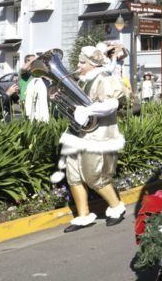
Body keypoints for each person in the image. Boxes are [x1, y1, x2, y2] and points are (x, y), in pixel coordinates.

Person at [58, 46, 126, 233]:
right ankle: (83, 215)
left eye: (82, 62)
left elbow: (113, 104)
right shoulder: (82, 81)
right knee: (73, 175)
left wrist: (88, 110)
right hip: (76, 133)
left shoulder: (105, 79)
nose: (78, 65)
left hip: (98, 134)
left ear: (92, 63)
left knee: (94, 174)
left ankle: (116, 206)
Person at [24, 55, 50, 123]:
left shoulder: (43, 77)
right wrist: (32, 61)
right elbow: (23, 69)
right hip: (29, 108)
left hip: (42, 108)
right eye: (32, 62)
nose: (35, 63)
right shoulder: (25, 75)